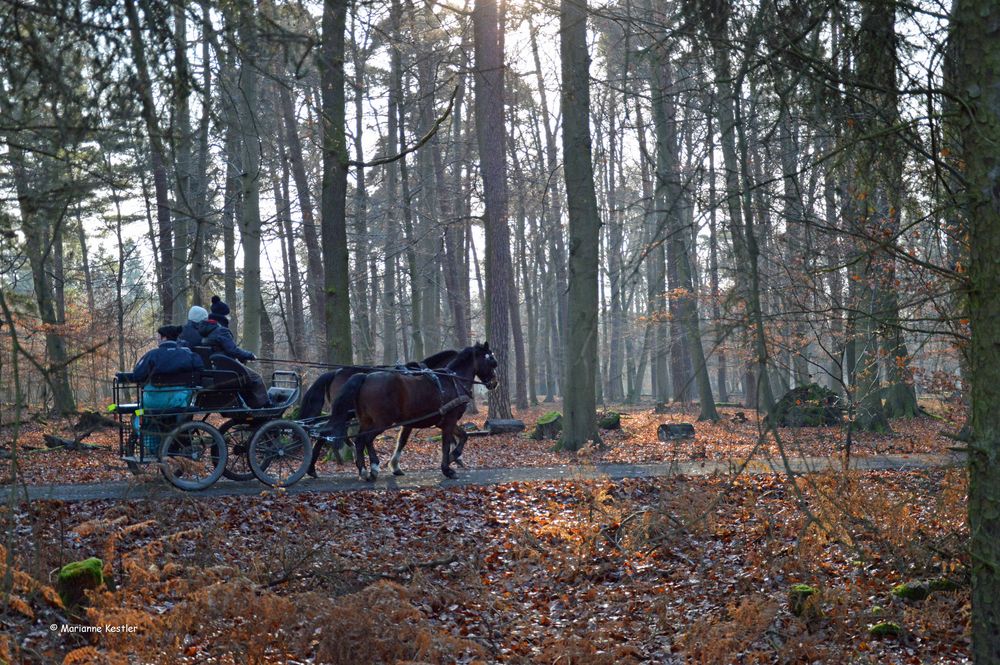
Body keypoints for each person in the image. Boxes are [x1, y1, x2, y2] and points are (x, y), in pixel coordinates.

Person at [180, 302, 270, 408]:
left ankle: (253, 405)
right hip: (224, 370)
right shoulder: (219, 331)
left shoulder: (187, 333)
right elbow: (233, 350)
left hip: (205, 371)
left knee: (246, 378)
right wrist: (249, 355)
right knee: (256, 378)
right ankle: (266, 405)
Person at [123, 325, 203, 384]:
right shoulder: (188, 355)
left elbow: (137, 375)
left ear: (164, 338)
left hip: (154, 398)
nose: (157, 339)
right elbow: (199, 369)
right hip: (183, 399)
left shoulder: (152, 355)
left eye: (158, 336)